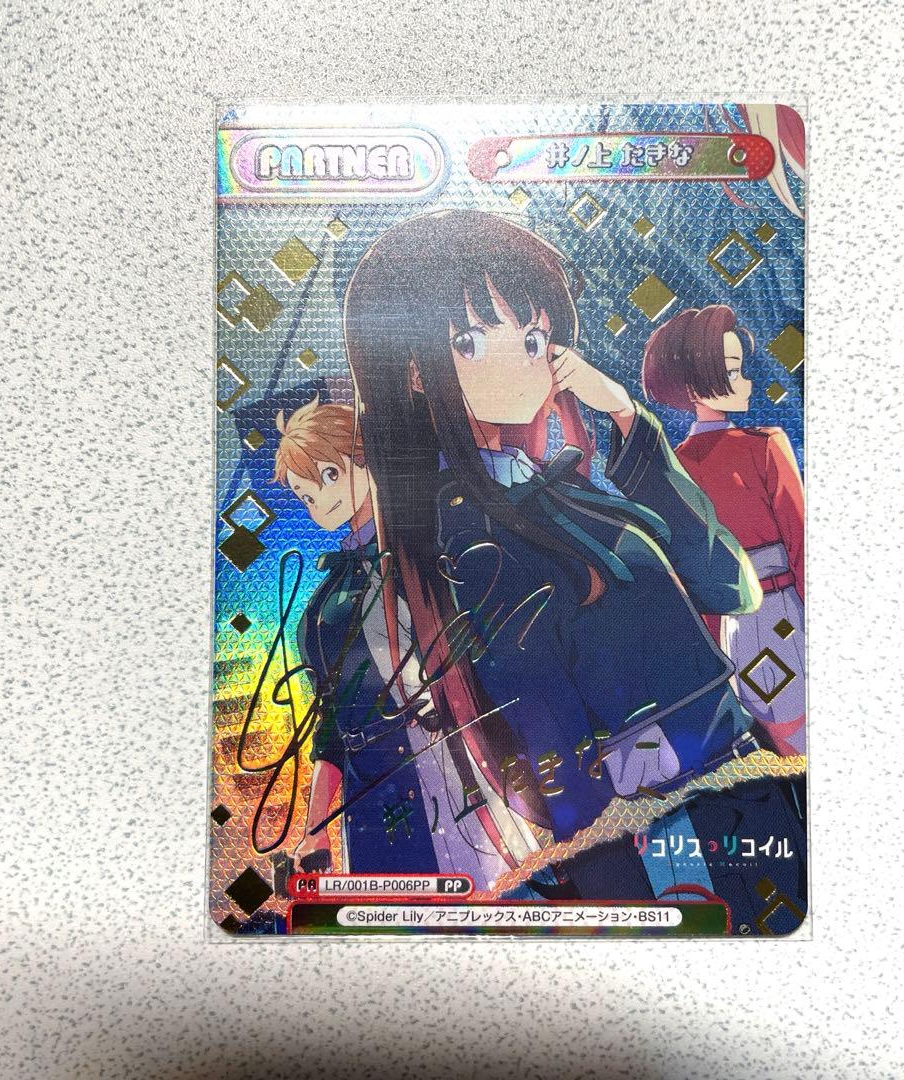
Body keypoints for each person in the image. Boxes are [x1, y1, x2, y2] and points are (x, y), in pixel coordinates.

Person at [341, 210, 806, 921]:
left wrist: (624, 414)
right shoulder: (464, 540)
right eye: (472, 340)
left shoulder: (560, 489)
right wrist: (622, 889)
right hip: (666, 839)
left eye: (533, 338)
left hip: (736, 788)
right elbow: (552, 765)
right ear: (411, 368)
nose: (523, 362)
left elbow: (728, 583)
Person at [274, 398, 537, 889]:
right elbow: (331, 726)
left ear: (366, 457)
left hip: (454, 772)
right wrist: (315, 828)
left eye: (330, 475)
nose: (321, 502)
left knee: (496, 898)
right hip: (373, 801)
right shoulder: (323, 609)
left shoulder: (430, 550)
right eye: (305, 496)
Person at [642, 304, 805, 756]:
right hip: (781, 611)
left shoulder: (670, 469)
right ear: (695, 385)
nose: (747, 382)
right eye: (734, 371)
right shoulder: (765, 446)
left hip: (735, 628)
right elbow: (802, 544)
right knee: (797, 726)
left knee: (781, 727)